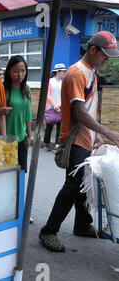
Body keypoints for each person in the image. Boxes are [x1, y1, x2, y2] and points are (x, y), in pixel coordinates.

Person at [39, 31, 119, 252]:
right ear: (92, 50)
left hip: (88, 138)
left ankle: (82, 224)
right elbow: (80, 113)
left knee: (85, 182)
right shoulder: (76, 74)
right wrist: (110, 133)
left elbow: (91, 108)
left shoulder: (91, 72)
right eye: (105, 55)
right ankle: (49, 231)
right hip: (75, 139)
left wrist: (99, 135)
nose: (106, 60)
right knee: (73, 186)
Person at [4, 56, 32, 173]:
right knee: (6, 176)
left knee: (20, 175)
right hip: (4, 140)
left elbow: (27, 113)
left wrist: (29, 136)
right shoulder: (2, 89)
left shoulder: (26, 89)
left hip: (21, 139)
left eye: (23, 71)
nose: (20, 74)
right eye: (16, 71)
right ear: (9, 71)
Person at [44, 63, 66, 152]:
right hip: (50, 107)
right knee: (49, 126)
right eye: (63, 71)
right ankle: (47, 144)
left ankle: (57, 144)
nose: (64, 72)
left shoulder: (62, 83)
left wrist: (58, 106)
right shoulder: (50, 81)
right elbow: (47, 95)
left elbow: (64, 96)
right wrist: (54, 105)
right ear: (58, 72)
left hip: (60, 108)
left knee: (60, 127)